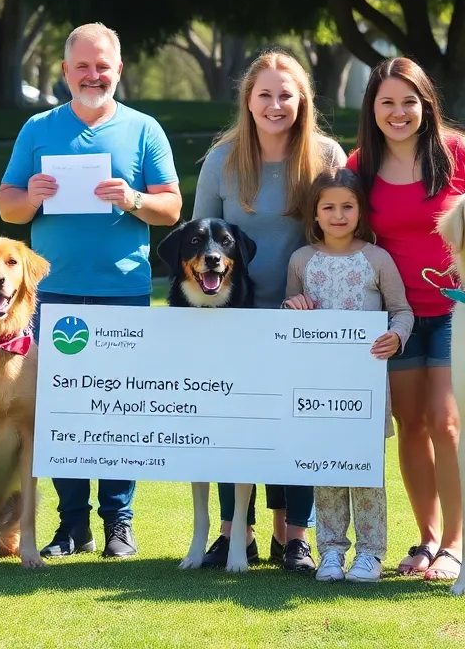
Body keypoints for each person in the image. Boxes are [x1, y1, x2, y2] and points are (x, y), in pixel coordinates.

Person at [0, 22, 181, 559]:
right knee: (61, 411)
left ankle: (119, 524)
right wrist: (29, 196)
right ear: (64, 72)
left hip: (123, 291)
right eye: (82, 65)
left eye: (102, 66)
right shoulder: (37, 129)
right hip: (52, 296)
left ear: (118, 70)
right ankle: (71, 525)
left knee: (119, 409)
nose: (92, 75)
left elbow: (171, 209)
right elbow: (7, 206)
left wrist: (132, 198)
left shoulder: (144, 129)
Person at [192, 49, 346, 572]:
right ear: (248, 100)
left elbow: (346, 229)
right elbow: (199, 238)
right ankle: (236, 532)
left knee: (297, 426)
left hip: (307, 314)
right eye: (265, 95)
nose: (276, 104)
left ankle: (296, 539)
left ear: (303, 100)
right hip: (233, 316)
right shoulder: (222, 160)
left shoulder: (326, 156)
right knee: (233, 424)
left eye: (286, 94)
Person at [346, 57, 465, 581]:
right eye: (386, 102)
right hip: (397, 318)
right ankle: (428, 540)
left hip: (461, 311)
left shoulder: (458, 153)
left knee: (447, 423)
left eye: (408, 101)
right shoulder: (360, 164)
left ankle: (457, 543)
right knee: (409, 424)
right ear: (373, 107)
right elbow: (342, 232)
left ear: (425, 104)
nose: (398, 112)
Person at [281, 167, 413, 582]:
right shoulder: (302, 260)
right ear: (315, 214)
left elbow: (402, 310)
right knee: (327, 469)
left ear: (360, 211)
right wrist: (293, 306)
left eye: (347, 206)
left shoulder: (377, 258)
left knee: (366, 470)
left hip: (367, 387)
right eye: (329, 207)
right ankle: (332, 550)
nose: (338, 215)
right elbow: (289, 313)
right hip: (318, 387)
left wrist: (396, 336)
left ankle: (371, 552)